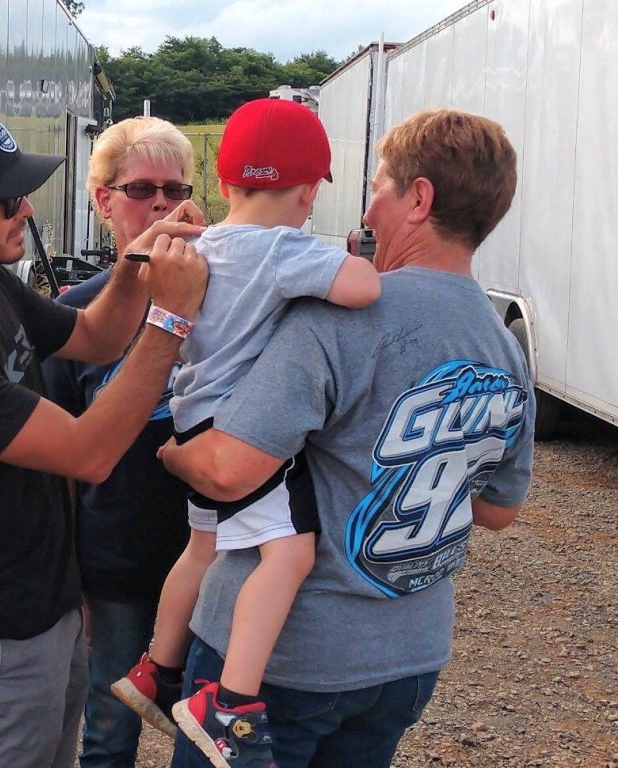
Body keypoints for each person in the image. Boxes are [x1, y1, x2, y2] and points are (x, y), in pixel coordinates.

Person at [160, 108, 535, 768]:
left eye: (380, 187)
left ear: (419, 200)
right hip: (408, 659)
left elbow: (228, 470)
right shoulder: (504, 346)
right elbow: (499, 509)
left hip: (287, 663)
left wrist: (171, 452)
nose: (366, 212)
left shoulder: (339, 319)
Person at [0, 106, 208, 768]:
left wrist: (136, 264)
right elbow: (90, 453)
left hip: (47, 610)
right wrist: (171, 318)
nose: (24, 209)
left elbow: (97, 337)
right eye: (5, 200)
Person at [109, 98, 381, 767]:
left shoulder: (202, 246)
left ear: (224, 183)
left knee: (203, 546)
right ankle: (230, 703)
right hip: (240, 428)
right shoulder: (286, 250)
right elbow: (364, 289)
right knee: (288, 554)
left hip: (191, 413)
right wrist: (347, 259)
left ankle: (156, 668)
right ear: (309, 191)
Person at [42, 116, 197, 767]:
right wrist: (69, 580)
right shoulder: (73, 316)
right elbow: (53, 467)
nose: (161, 203)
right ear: (103, 201)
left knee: (208, 732)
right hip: (116, 563)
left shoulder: (233, 303)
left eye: (176, 188)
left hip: (213, 559)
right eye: (141, 189)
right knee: (109, 729)